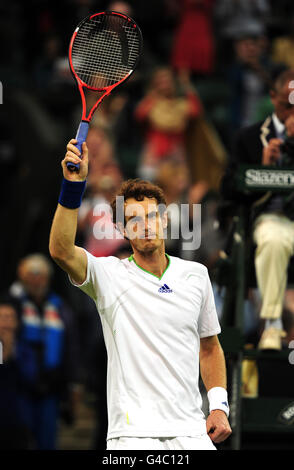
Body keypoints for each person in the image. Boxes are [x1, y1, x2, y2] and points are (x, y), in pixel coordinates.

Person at [49, 138, 232, 451]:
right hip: (131, 438)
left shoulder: (196, 275)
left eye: (150, 216)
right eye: (133, 219)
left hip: (191, 433)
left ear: (164, 218)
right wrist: (72, 186)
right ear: (121, 230)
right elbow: (62, 250)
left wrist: (218, 405)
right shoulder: (108, 275)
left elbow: (210, 346)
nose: (144, 226)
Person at [221, 68, 294, 351]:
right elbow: (227, 189)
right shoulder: (250, 137)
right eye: (286, 106)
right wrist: (260, 169)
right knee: (273, 240)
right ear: (272, 97)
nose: (291, 113)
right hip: (269, 220)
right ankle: (273, 324)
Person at [9, 253, 81, 449]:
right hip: (19, 388)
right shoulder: (11, 305)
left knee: (47, 441)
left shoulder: (60, 308)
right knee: (19, 439)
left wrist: (73, 385)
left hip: (51, 388)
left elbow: (71, 348)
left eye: (40, 274)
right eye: (30, 274)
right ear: (21, 276)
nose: (35, 279)